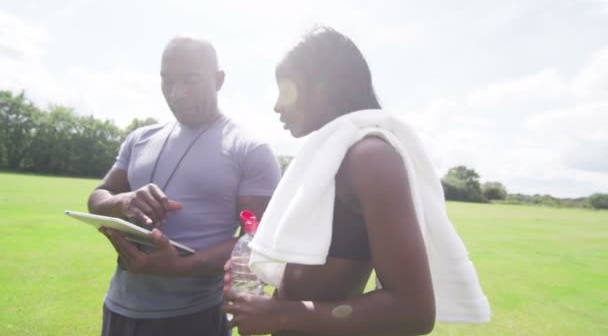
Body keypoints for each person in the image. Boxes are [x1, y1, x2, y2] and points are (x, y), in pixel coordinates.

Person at [223, 26, 436, 335]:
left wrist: (282, 315)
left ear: (323, 87)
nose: (277, 105)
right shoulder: (324, 162)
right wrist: (264, 297)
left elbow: (415, 311)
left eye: (286, 89)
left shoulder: (370, 158)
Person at [88, 36, 281, 336]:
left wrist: (179, 267)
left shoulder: (249, 149)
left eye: (190, 79)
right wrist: (124, 201)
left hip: (193, 317)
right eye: (168, 81)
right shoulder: (140, 138)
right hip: (119, 307)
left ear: (219, 80)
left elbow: (256, 242)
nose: (177, 93)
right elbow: (98, 197)